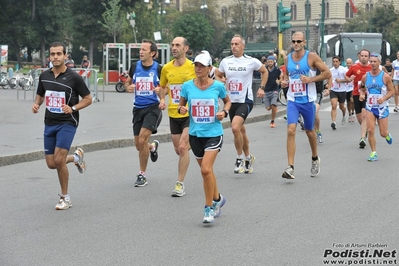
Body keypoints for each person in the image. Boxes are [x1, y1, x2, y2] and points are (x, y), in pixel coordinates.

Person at [31, 42, 92, 210]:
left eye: (59, 54)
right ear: (49, 56)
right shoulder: (44, 76)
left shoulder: (74, 77)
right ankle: (76, 158)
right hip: (49, 123)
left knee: (58, 160)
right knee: (52, 163)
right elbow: (40, 95)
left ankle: (65, 197)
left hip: (68, 122)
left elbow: (88, 98)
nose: (55, 57)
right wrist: (37, 104)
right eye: (52, 54)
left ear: (66, 56)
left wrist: (72, 108)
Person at [178, 52, 231, 224]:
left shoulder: (217, 86)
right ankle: (218, 198)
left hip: (214, 134)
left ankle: (208, 208)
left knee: (206, 169)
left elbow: (228, 102)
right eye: (196, 65)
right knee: (206, 172)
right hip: (195, 135)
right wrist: (182, 110)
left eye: (201, 66)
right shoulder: (187, 86)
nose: (198, 68)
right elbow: (181, 105)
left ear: (209, 68)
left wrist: (224, 112)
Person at [280, 31, 331, 179]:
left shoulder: (311, 57)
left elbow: (327, 73)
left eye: (298, 41)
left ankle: (315, 158)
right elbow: (287, 78)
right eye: (293, 41)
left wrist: (311, 79)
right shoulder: (287, 59)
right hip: (293, 100)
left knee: (309, 131)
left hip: (308, 100)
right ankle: (290, 167)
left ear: (304, 42)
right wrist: (284, 82)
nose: (296, 44)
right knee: (291, 130)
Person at [215, 34, 268, 174]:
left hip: (245, 100)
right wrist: (220, 80)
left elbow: (264, 71)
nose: (233, 46)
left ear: (243, 46)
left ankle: (239, 158)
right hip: (230, 101)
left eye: (236, 44)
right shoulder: (226, 61)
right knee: (241, 131)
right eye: (232, 44)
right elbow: (217, 74)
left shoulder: (251, 61)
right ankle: (248, 158)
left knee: (234, 128)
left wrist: (262, 88)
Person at [159, 37, 196, 197]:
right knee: (178, 150)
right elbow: (162, 87)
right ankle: (194, 143)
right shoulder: (166, 68)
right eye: (172, 45)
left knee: (182, 147)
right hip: (173, 114)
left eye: (177, 45)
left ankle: (179, 184)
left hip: (189, 113)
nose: (174, 48)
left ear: (185, 48)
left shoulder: (193, 67)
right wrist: (161, 98)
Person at [124, 39, 162, 187]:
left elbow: (167, 87)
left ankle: (142, 174)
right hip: (138, 108)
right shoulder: (135, 66)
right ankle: (152, 147)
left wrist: (161, 91)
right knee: (139, 145)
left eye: (144, 50)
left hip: (153, 107)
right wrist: (128, 86)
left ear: (152, 53)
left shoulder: (159, 68)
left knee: (142, 140)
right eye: (140, 49)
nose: (141, 52)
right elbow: (127, 82)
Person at [359, 52, 394, 161]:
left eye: (375, 61)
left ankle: (387, 134)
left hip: (382, 107)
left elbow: (392, 91)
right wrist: (361, 94)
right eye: (371, 61)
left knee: (382, 133)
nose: (373, 63)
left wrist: (383, 99)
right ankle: (374, 152)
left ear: (379, 62)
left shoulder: (385, 77)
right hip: (370, 107)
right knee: (370, 129)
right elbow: (362, 87)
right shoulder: (365, 76)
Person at [344, 49, 371, 148]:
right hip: (356, 93)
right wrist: (349, 79)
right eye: (362, 55)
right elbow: (346, 76)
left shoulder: (371, 67)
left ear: (368, 57)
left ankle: (362, 138)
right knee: (359, 117)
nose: (363, 57)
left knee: (364, 114)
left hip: (368, 93)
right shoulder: (354, 67)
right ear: (359, 57)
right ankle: (365, 129)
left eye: (365, 56)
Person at [326, 56, 347, 130]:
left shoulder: (344, 70)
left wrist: (341, 80)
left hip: (342, 90)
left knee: (342, 107)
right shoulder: (330, 70)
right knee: (334, 106)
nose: (335, 63)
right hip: (333, 90)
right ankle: (333, 122)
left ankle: (344, 115)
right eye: (333, 61)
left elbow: (348, 80)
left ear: (339, 62)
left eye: (336, 61)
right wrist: (328, 87)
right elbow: (328, 80)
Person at [263, 55, 282, 128]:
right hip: (266, 91)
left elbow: (281, 77)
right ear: (267, 62)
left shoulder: (277, 70)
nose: (270, 63)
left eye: (271, 61)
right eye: (269, 62)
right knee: (268, 108)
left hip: (274, 90)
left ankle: (272, 121)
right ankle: (274, 107)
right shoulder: (264, 70)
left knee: (273, 105)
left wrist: (279, 80)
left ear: (274, 62)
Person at [345, 58, 355, 122]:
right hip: (346, 88)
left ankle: (353, 113)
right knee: (348, 102)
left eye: (350, 63)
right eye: (347, 63)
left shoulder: (355, 69)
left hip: (353, 88)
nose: (349, 64)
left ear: (352, 63)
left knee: (352, 101)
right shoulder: (344, 70)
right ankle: (349, 114)